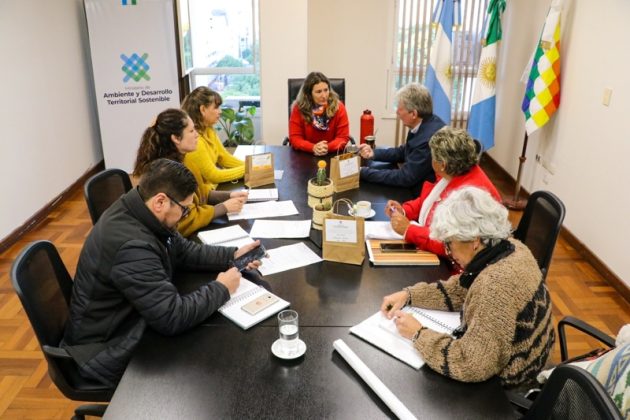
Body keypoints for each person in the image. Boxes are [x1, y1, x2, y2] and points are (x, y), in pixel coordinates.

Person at [62, 158, 262, 387]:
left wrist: (232, 255)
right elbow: (171, 317)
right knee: (211, 366)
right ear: (160, 201)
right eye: (184, 210)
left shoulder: (140, 209)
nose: (185, 216)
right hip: (108, 348)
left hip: (132, 318)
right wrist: (221, 288)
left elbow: (183, 250)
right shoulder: (132, 247)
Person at [381, 187, 555, 390]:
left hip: (510, 386)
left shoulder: (495, 285)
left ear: (474, 241)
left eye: (450, 244)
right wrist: (409, 295)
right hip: (531, 361)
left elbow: (471, 364)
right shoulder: (512, 247)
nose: (449, 251)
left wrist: (418, 334)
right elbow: (461, 289)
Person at [386, 127, 501, 257]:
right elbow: (430, 200)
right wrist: (404, 211)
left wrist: (409, 230)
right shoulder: (455, 170)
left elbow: (450, 245)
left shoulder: (469, 196)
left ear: (442, 164)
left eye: (433, 156)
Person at [133, 108, 247, 237]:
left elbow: (198, 194)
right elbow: (184, 221)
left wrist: (229, 195)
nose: (197, 135)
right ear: (176, 138)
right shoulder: (166, 174)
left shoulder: (185, 159)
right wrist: (224, 207)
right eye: (191, 131)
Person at [358, 83, 445, 196]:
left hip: (423, 195)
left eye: (400, 108)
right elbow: (404, 151)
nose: (397, 112)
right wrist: (374, 153)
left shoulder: (428, 139)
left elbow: (405, 177)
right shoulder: (425, 122)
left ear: (413, 114)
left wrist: (363, 172)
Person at [181, 86, 245, 197]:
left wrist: (251, 165)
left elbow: (223, 157)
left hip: (212, 191)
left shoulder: (208, 130)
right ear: (203, 109)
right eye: (216, 108)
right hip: (201, 197)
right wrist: (247, 169)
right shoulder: (195, 140)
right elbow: (213, 175)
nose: (220, 112)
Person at [289, 71, 350, 156]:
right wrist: (313, 148)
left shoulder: (338, 107)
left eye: (326, 90)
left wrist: (327, 147)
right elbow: (295, 138)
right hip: (306, 155)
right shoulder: (299, 108)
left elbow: (343, 138)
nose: (324, 96)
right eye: (318, 92)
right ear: (309, 94)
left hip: (332, 155)